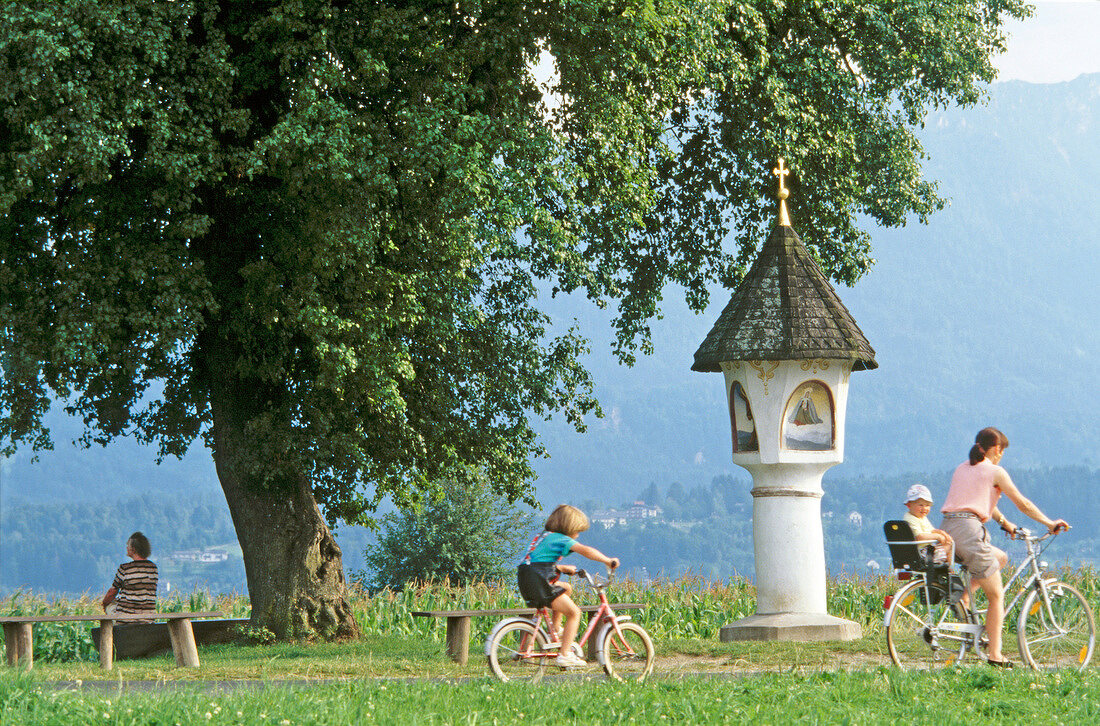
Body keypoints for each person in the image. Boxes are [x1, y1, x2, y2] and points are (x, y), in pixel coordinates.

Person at [939, 427, 1067, 668]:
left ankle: (965, 599)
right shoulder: (995, 470)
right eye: (1002, 452)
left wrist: (1004, 523)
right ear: (997, 449)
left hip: (948, 530)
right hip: (970, 531)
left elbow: (977, 501)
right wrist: (1050, 523)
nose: (1001, 457)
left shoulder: (962, 468)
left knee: (1000, 557)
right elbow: (1024, 504)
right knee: (997, 596)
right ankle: (996, 655)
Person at [517, 504, 619, 668]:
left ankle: (555, 631)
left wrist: (562, 568)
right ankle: (564, 655)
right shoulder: (561, 539)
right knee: (574, 613)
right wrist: (607, 561)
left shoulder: (544, 536)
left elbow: (536, 562)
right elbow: (585, 550)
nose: (577, 535)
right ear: (569, 527)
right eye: (577, 531)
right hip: (539, 579)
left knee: (566, 588)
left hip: (526, 578)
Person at [101, 531, 159, 622]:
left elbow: (112, 592)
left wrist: (104, 604)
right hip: (148, 618)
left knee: (109, 606)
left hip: (126, 619)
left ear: (133, 549)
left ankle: (111, 633)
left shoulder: (125, 568)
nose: (126, 547)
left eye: (128, 545)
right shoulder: (153, 568)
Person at [901, 484, 952, 563]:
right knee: (948, 546)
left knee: (948, 543)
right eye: (920, 505)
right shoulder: (910, 519)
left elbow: (931, 530)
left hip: (926, 549)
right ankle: (948, 570)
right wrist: (937, 536)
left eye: (927, 505)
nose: (924, 508)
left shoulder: (922, 518)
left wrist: (941, 533)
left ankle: (947, 569)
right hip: (921, 553)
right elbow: (919, 536)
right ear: (909, 505)